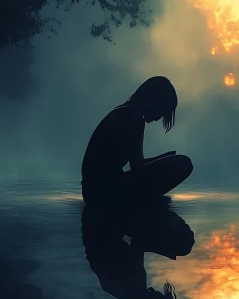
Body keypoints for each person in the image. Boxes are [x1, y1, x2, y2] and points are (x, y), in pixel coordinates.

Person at [81, 76, 193, 206]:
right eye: (161, 111)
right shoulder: (133, 118)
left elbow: (136, 163)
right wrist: (164, 162)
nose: (158, 118)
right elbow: (137, 167)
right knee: (183, 163)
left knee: (173, 161)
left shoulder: (125, 112)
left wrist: (161, 159)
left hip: (93, 191)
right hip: (103, 192)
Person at [81, 204, 194, 299]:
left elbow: (138, 243)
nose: (156, 292)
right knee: (179, 244)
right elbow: (137, 246)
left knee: (183, 244)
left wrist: (161, 249)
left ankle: (154, 205)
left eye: (160, 298)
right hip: (98, 223)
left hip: (104, 218)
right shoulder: (127, 292)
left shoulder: (133, 286)